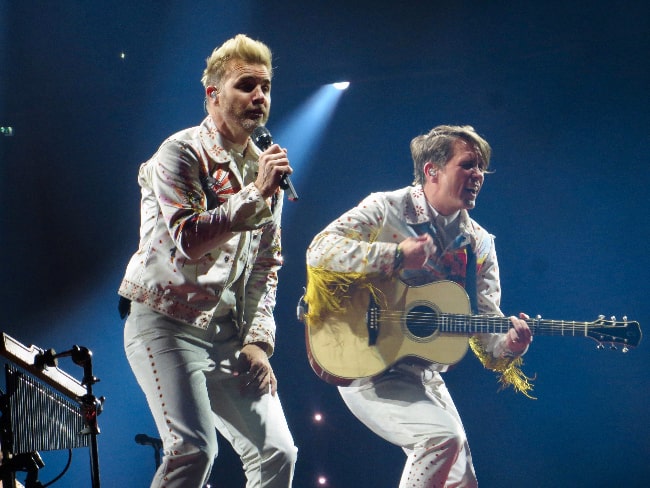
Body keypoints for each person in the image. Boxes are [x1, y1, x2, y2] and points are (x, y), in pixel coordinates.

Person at [303, 125, 533, 487]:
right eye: (468, 165)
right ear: (432, 171)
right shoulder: (385, 208)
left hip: (421, 372)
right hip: (364, 360)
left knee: (463, 482)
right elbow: (319, 250)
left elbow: (486, 324)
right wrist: (394, 255)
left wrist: (509, 346)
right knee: (440, 440)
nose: (478, 176)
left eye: (481, 168)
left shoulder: (480, 244)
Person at [118, 34, 298, 488]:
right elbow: (189, 240)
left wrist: (258, 341)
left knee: (278, 452)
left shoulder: (262, 168)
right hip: (165, 319)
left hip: (225, 331)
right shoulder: (179, 153)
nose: (260, 96)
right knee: (194, 450)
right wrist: (257, 191)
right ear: (212, 94)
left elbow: (265, 264)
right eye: (246, 85)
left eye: (266, 87)